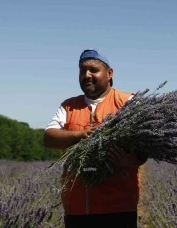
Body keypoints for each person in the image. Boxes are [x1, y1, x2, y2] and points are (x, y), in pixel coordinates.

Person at [43, 49, 148, 228]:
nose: (86, 75)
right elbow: (48, 138)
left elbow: (146, 143)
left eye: (93, 70)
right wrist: (80, 135)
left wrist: (133, 161)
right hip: (77, 207)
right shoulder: (69, 106)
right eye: (82, 70)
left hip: (118, 207)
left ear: (109, 74)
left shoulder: (129, 102)